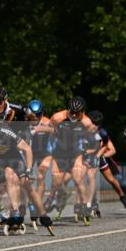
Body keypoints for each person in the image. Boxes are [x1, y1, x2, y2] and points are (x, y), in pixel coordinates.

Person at [0, 108, 53, 235]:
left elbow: (27, 149)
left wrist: (28, 170)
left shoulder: (5, 131)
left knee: (27, 186)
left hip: (14, 159)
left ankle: (43, 216)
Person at [45, 96, 95, 225]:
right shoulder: (57, 118)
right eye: (71, 111)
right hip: (59, 151)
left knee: (78, 180)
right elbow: (49, 132)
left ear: (82, 112)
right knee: (57, 182)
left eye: (77, 113)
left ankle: (84, 207)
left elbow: (88, 138)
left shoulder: (87, 122)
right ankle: (52, 198)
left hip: (75, 152)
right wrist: (49, 150)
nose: (73, 115)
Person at [85, 110, 126, 216]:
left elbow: (112, 150)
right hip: (89, 158)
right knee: (90, 179)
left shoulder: (102, 133)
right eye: (91, 123)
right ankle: (93, 205)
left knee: (119, 181)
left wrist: (99, 155)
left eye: (96, 124)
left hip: (105, 160)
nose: (93, 126)